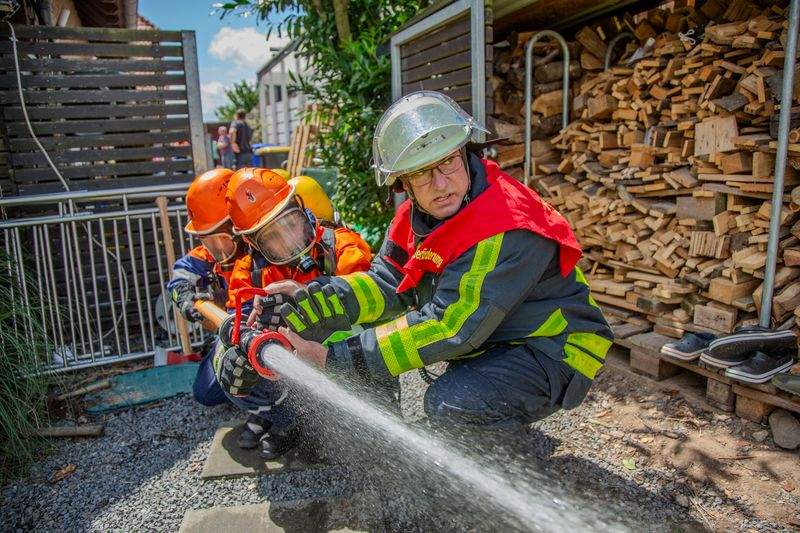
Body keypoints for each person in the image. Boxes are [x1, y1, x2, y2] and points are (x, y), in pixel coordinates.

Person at [264, 90, 613, 434]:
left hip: (557, 346)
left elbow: (450, 327)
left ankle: (507, 468)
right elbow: (386, 283)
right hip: (504, 336)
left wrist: (335, 359)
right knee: (459, 393)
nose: (440, 184)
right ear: (403, 183)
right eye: (421, 173)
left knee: (452, 403)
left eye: (447, 162)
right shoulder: (414, 219)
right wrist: (312, 300)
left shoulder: (505, 224)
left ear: (465, 152)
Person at [213, 167, 372, 458]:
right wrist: (231, 355)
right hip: (294, 374)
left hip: (351, 364)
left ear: (299, 207)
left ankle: (332, 420)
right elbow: (235, 321)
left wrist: (308, 295)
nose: (288, 239)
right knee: (230, 367)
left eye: (291, 223)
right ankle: (290, 419)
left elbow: (374, 307)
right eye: (272, 236)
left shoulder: (342, 247)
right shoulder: (251, 273)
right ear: (252, 243)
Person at [166, 168, 248, 407]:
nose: (215, 248)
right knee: (206, 392)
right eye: (207, 240)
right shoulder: (212, 255)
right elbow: (181, 273)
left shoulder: (262, 248)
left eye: (219, 238)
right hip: (235, 330)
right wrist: (183, 296)